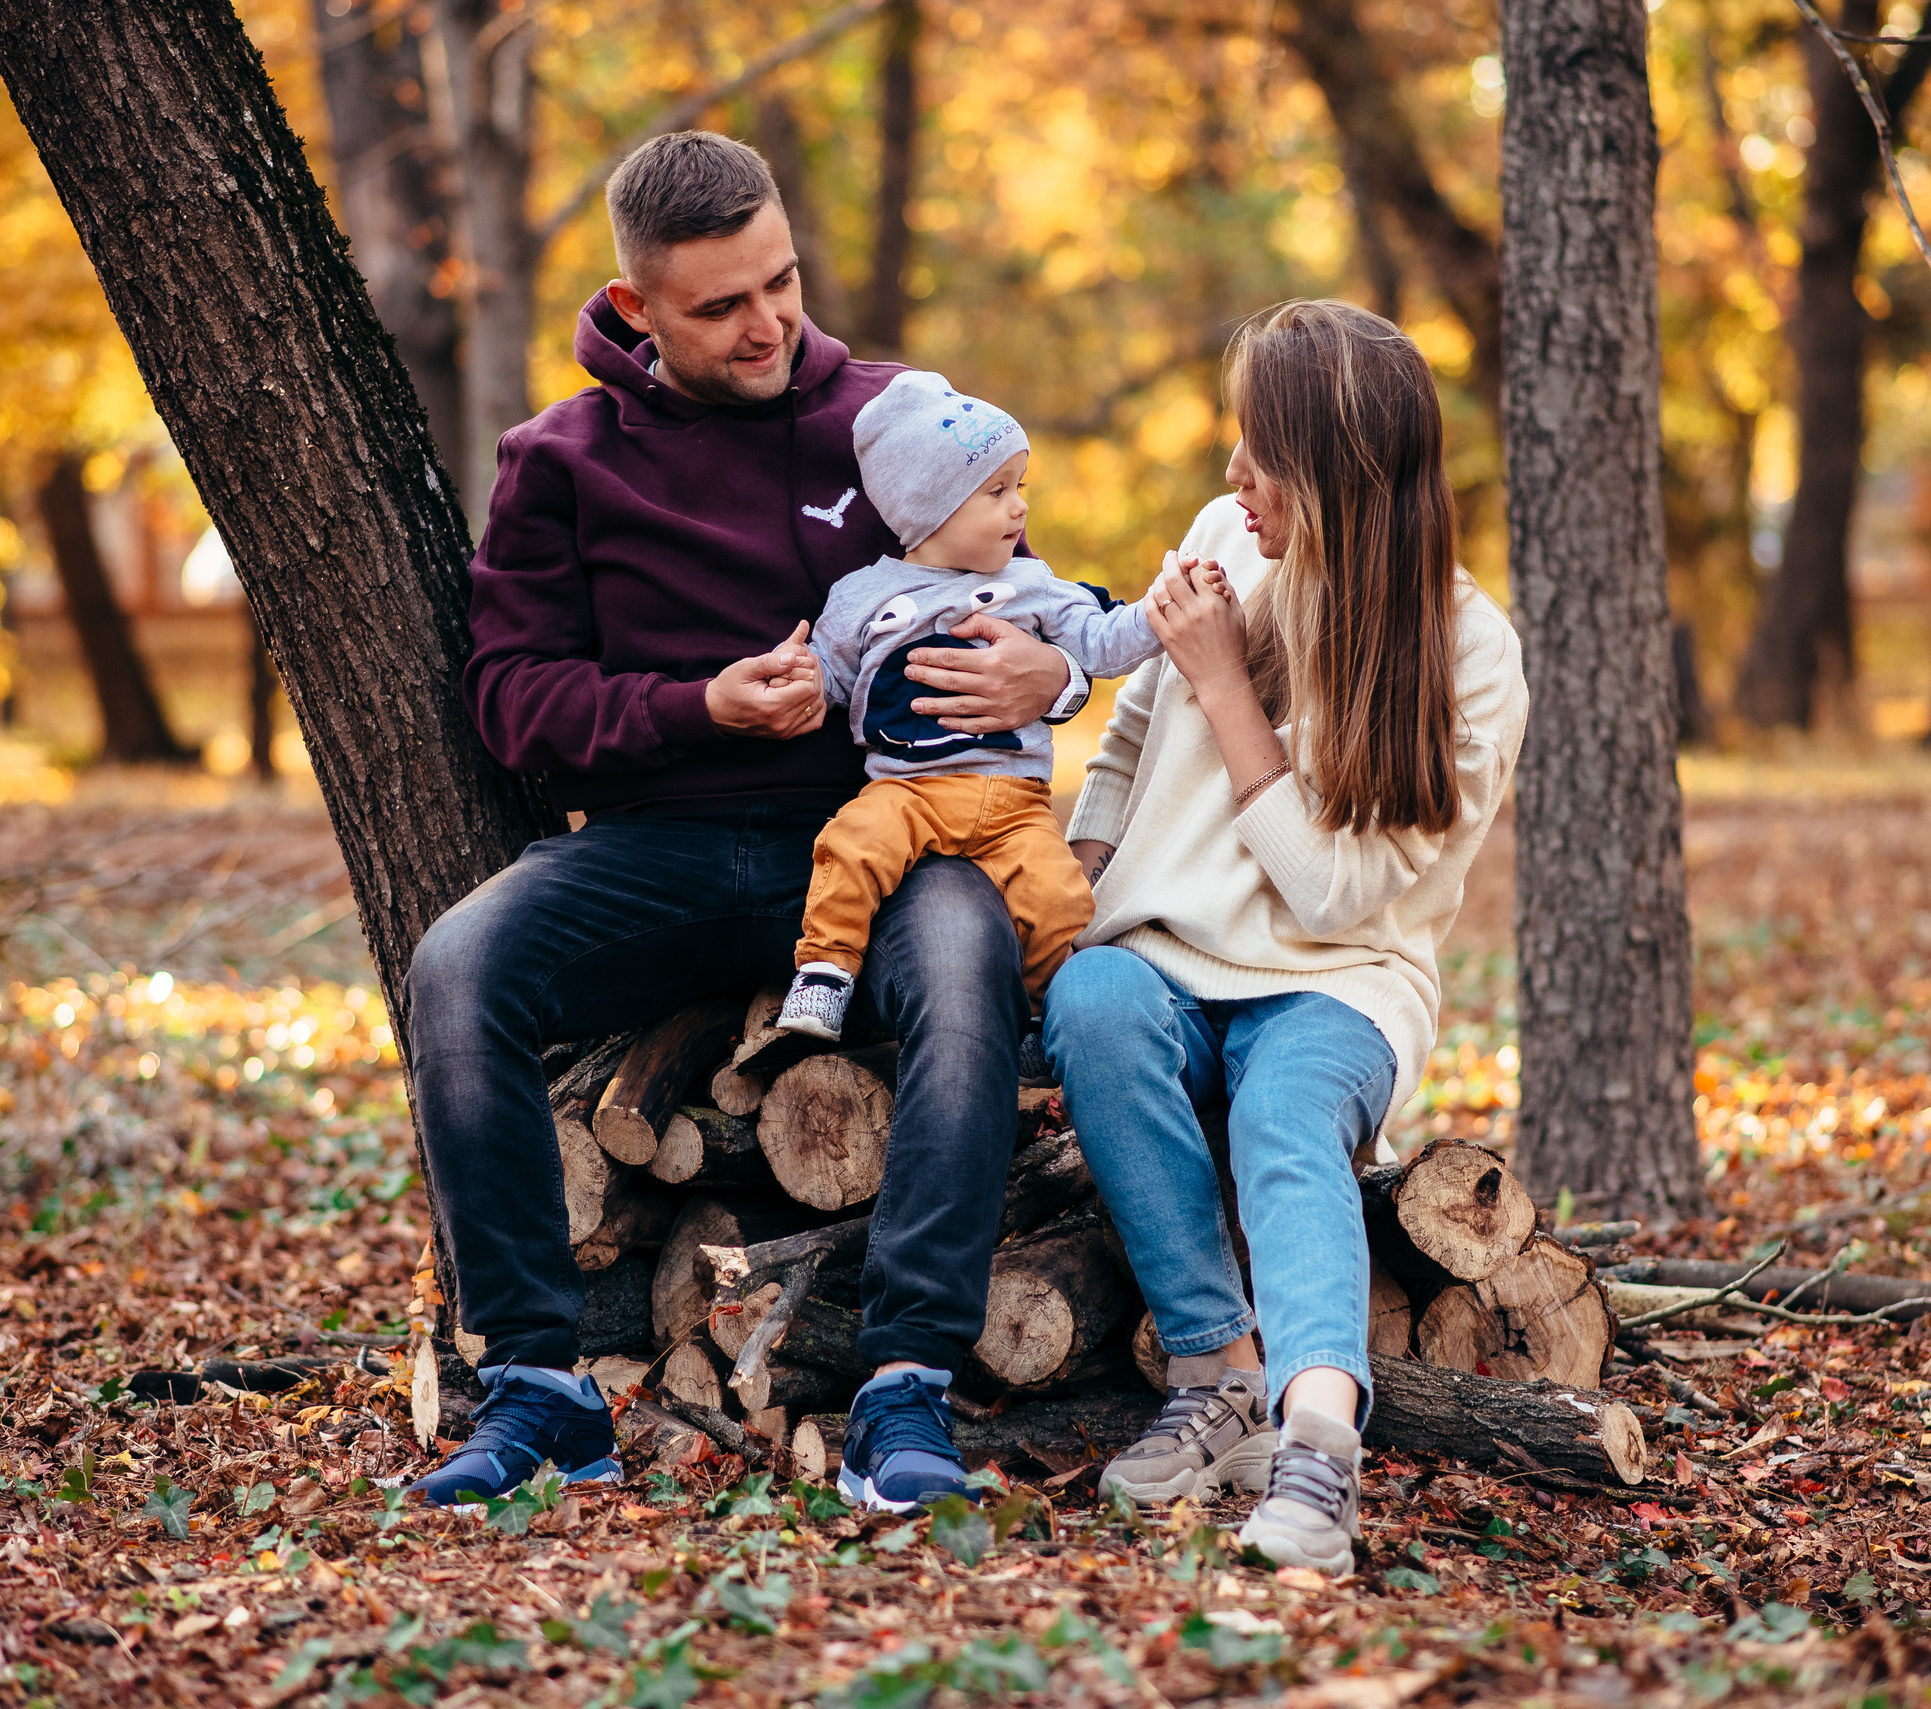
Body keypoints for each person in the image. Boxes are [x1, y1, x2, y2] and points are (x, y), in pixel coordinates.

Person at [402, 131, 1097, 1513]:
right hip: (658, 848)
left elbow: (1034, 600)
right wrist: (695, 708)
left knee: (967, 968)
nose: (768, 323)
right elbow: (510, 695)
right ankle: (537, 1389)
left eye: (780, 281)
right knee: (458, 969)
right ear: (639, 307)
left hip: (889, 831)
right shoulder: (562, 459)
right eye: (721, 305)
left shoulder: (899, 414)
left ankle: (905, 1386)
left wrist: (1055, 675)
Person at [1040, 300, 1528, 1574]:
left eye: (1260, 451)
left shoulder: (1470, 655)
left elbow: (1327, 896)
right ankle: (1213, 1376)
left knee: (1280, 1118)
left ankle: (1316, 1446)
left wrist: (1222, 680)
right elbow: (1131, 738)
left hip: (1338, 983)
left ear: (1335, 477)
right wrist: (1073, 888)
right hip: (1162, 956)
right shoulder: (1221, 536)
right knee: (1091, 1000)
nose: (1229, 476)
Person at [764, 372, 1162, 1046]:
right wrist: (800, 677)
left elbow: (1103, 641)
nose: (1019, 511)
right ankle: (824, 975)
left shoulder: (1031, 586)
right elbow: (831, 673)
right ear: (931, 508)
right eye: (997, 492)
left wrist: (1163, 611)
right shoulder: (864, 595)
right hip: (906, 791)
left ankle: (1052, 1024)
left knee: (1061, 902)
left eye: (1021, 487)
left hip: (1016, 804)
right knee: (851, 847)